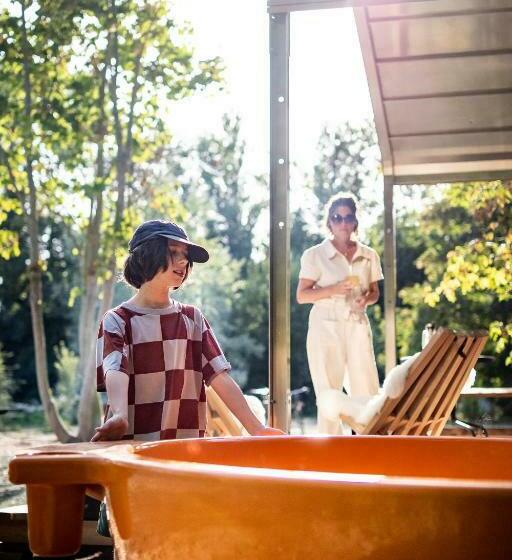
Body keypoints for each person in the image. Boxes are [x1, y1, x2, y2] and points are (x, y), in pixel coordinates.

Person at [92, 220, 282, 535]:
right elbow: (115, 370)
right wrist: (121, 414)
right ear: (146, 255)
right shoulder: (117, 320)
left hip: (186, 455)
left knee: (184, 536)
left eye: (186, 256)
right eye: (174, 252)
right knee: (133, 539)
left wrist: (256, 428)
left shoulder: (192, 318)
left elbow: (219, 377)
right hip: (134, 458)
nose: (183, 262)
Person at [296, 194, 383, 435]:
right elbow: (302, 296)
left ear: (355, 221)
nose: (342, 223)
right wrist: (334, 289)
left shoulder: (369, 255)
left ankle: (371, 445)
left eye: (348, 217)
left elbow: (375, 292)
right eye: (337, 217)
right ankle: (330, 452)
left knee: (366, 387)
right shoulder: (314, 255)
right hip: (325, 326)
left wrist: (366, 299)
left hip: (356, 322)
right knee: (328, 391)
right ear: (329, 222)